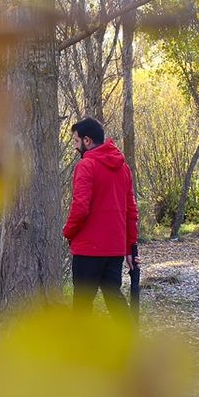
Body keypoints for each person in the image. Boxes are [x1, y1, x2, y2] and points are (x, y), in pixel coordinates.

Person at [62, 117, 139, 318]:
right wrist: (130, 245)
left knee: (82, 304)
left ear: (87, 141)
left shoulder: (86, 166)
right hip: (114, 248)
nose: (75, 147)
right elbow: (131, 211)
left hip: (88, 248)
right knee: (114, 296)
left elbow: (80, 208)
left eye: (76, 142)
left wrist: (68, 232)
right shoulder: (124, 168)